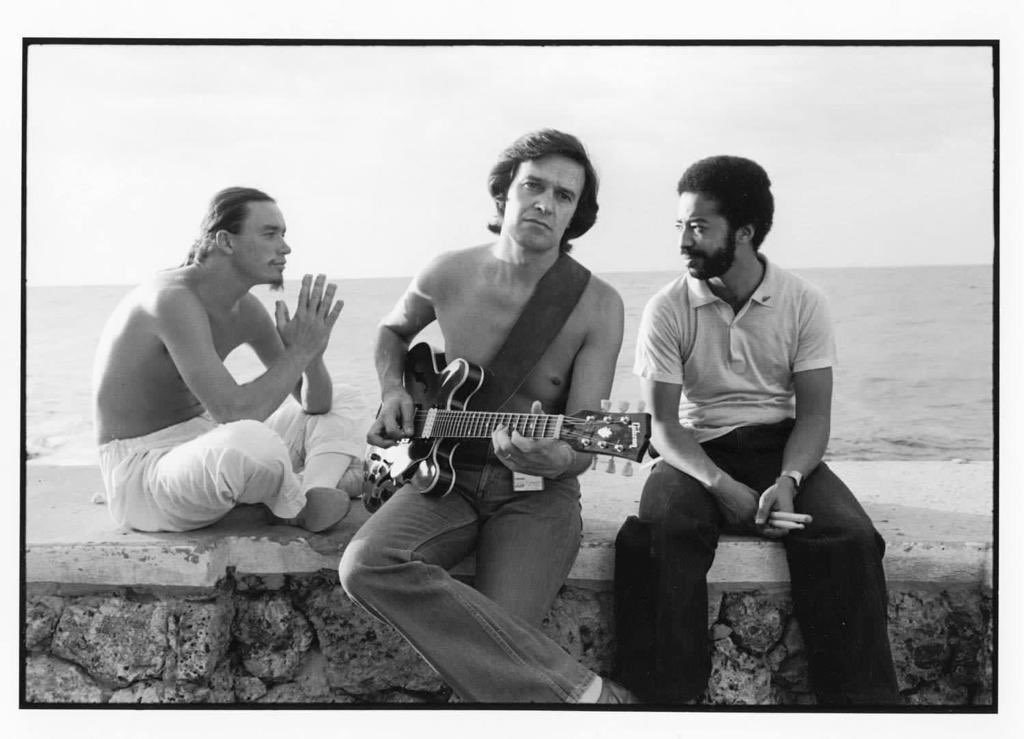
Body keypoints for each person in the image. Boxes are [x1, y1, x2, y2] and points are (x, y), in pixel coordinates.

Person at [338, 130, 634, 703]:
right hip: (440, 476)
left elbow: (584, 440)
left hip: (534, 492)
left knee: (496, 672)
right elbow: (393, 331)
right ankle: (588, 694)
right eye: (534, 186)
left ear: (575, 216)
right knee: (365, 566)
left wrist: (559, 456)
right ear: (505, 195)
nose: (546, 203)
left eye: (564, 197)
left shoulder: (598, 305)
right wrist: (393, 389)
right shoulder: (448, 272)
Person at [622, 155, 900, 704]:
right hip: (697, 450)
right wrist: (721, 488)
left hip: (780, 444)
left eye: (699, 227)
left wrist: (791, 479)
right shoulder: (667, 308)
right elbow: (662, 425)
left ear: (744, 232)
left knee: (849, 539)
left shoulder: (803, 302)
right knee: (664, 535)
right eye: (680, 225)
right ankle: (664, 704)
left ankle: (862, 711)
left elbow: (815, 416)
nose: (684, 240)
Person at [93, 187, 366, 533]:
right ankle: (292, 503)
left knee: (346, 398)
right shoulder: (170, 299)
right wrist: (297, 353)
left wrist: (310, 354)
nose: (285, 247)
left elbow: (317, 404)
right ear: (225, 240)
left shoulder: (246, 309)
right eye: (270, 234)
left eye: (283, 235)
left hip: (203, 444)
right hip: (144, 471)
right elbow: (234, 413)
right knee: (249, 442)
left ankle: (314, 492)